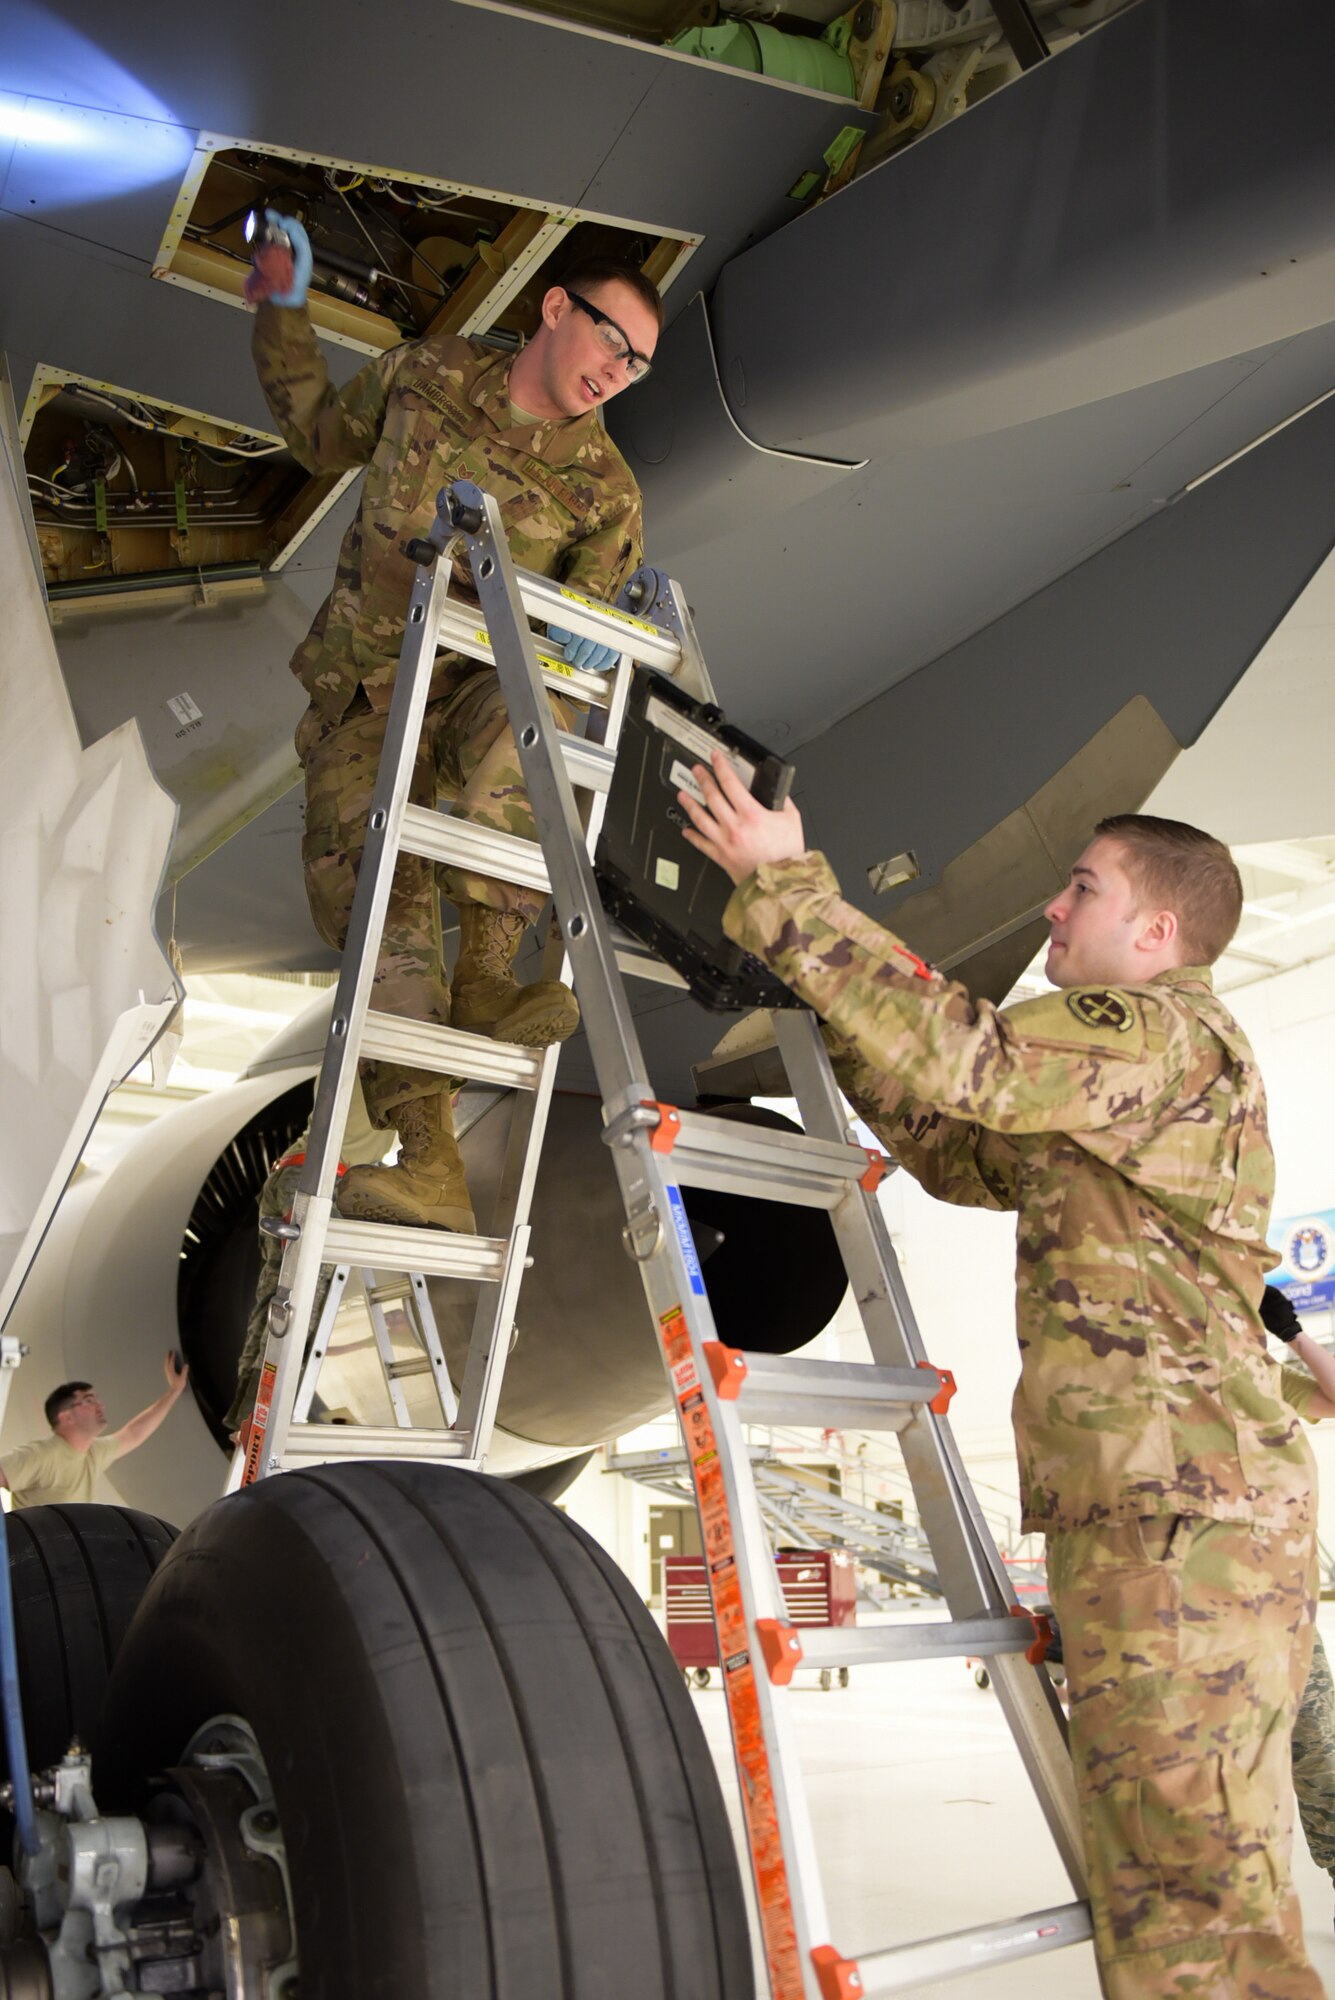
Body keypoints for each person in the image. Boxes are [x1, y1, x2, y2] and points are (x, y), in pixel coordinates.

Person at [679, 762, 1321, 1999]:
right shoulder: (1115, 1092)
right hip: (1175, 1527)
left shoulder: (1157, 1032)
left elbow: (972, 1062)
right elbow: (963, 1150)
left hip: (1184, 1535)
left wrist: (786, 888)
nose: (1052, 910)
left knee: (1198, 1919)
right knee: (1187, 1896)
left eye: (1082, 888)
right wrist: (818, 1008)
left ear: (1156, 932)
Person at [246, 213, 660, 1234]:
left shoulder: (606, 493)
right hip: (363, 690)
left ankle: (488, 968)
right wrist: (279, 306)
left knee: (534, 712)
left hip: (475, 696)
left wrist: (555, 621)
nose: (620, 369)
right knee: (369, 912)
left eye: (640, 362)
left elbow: (573, 646)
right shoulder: (424, 373)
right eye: (613, 339)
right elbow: (316, 434)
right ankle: (426, 1154)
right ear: (555, 308)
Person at [1261, 1281, 1335, 1915]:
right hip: (1192, 1603)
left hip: (1284, 1605)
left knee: (1318, 1751)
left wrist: (1293, 1335)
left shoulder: (1263, 1378)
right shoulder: (1155, 1375)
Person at [0, 1355, 191, 1509]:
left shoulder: (93, 1452)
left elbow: (134, 1434)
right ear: (66, 1417)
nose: (100, 1405)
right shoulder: (41, 1455)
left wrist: (174, 1391)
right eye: (89, 1400)